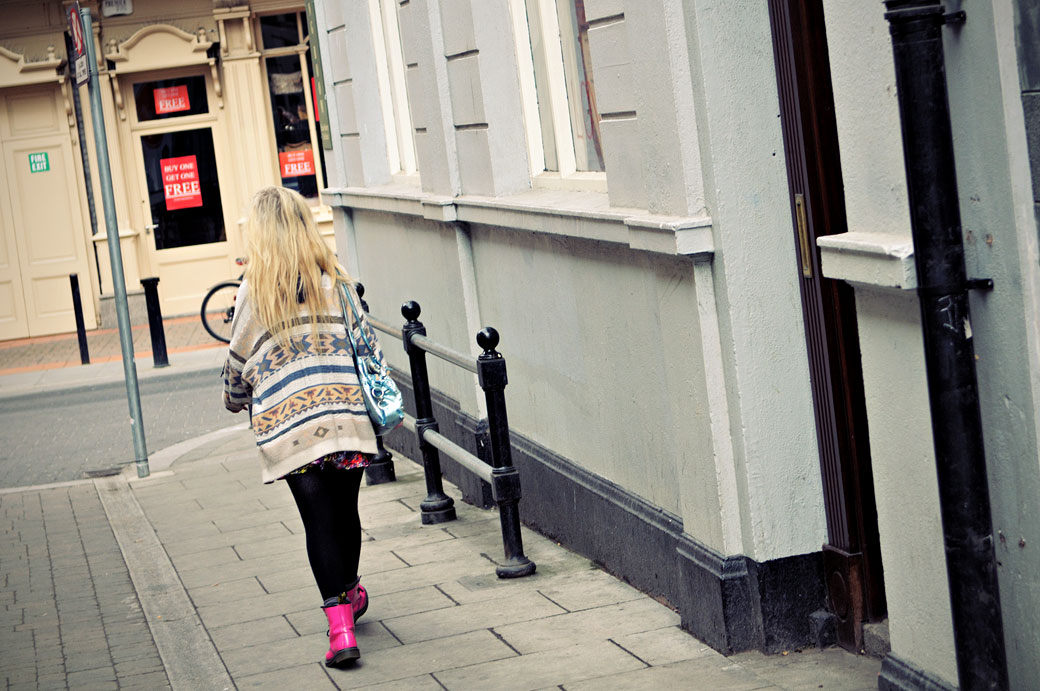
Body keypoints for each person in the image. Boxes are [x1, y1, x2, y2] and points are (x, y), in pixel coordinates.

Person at [221, 186, 386, 668]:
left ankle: (341, 632)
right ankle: (351, 594)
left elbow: (238, 360)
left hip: (291, 427)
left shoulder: (255, 289)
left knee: (318, 523)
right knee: (345, 513)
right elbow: (367, 347)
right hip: (345, 418)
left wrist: (233, 399)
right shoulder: (335, 279)